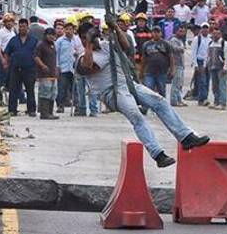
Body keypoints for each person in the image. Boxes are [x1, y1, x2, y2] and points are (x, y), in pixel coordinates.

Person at [77, 17, 210, 168]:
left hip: (128, 84)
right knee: (136, 116)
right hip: (112, 93)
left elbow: (126, 46)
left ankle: (185, 137)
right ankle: (158, 154)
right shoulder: (83, 57)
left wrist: (115, 27)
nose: (95, 40)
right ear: (82, 39)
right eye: (89, 38)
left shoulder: (106, 45)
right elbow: (88, 66)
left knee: (159, 101)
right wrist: (88, 44)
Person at [1, 18, 38, 117]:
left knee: (30, 90)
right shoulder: (13, 40)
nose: (22, 28)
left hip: (29, 69)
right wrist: (5, 63)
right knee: (13, 90)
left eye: (24, 26)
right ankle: (12, 110)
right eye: (20, 26)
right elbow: (7, 53)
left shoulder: (33, 40)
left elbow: (37, 54)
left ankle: (31, 110)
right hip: (15, 69)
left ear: (28, 27)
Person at [139, 28, 173, 99]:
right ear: (152, 33)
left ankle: (163, 104)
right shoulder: (146, 44)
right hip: (149, 72)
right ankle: (148, 105)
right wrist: (141, 71)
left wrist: (172, 70)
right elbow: (144, 59)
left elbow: (171, 57)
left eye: (158, 32)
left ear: (161, 33)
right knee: (148, 90)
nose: (156, 34)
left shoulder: (166, 44)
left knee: (162, 91)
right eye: (154, 32)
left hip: (162, 72)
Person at [33, 27, 59, 120]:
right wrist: (43, 66)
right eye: (49, 35)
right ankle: (44, 113)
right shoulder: (41, 45)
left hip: (52, 73)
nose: (51, 37)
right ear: (45, 35)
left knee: (53, 93)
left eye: (53, 35)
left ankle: (50, 112)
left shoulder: (53, 45)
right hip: (44, 74)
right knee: (45, 92)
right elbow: (36, 57)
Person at [55, 21, 79, 113]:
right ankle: (60, 106)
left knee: (75, 88)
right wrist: (57, 66)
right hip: (63, 68)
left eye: (70, 29)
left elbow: (80, 51)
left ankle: (77, 106)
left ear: (73, 30)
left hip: (74, 68)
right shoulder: (60, 41)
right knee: (62, 88)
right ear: (64, 30)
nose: (69, 31)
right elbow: (56, 54)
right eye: (67, 29)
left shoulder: (76, 40)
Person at [206, 26, 227, 110]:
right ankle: (216, 101)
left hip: (221, 68)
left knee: (222, 86)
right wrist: (207, 65)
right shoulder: (210, 43)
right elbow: (208, 56)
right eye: (214, 34)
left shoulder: (224, 44)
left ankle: (222, 103)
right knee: (214, 86)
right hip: (212, 67)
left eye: (217, 34)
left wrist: (225, 67)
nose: (215, 35)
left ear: (220, 34)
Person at [189, 24, 211, 105]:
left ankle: (204, 97)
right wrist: (195, 64)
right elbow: (193, 52)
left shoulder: (210, 39)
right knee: (202, 80)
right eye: (204, 28)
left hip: (208, 62)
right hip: (200, 61)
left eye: (206, 28)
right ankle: (203, 98)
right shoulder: (197, 39)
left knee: (207, 80)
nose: (205, 30)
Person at [168, 24, 188, 107]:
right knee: (176, 83)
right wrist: (181, 49)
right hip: (176, 64)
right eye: (180, 31)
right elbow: (173, 48)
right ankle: (174, 100)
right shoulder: (173, 40)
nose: (182, 33)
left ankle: (179, 99)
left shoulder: (180, 40)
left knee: (180, 83)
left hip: (181, 64)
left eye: (183, 31)